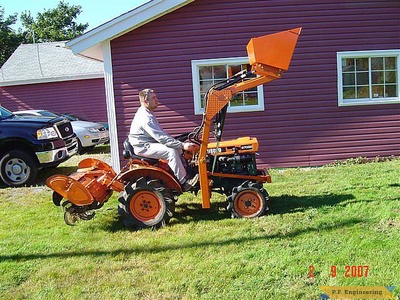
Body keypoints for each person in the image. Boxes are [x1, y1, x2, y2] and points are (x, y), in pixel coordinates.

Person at [128, 88, 199, 191]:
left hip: (148, 143)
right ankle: (184, 182)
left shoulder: (148, 113)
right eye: (154, 98)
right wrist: (183, 145)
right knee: (171, 151)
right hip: (143, 147)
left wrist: (179, 144)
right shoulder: (145, 117)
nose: (157, 100)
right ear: (145, 101)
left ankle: (188, 173)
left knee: (177, 148)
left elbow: (161, 135)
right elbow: (160, 137)